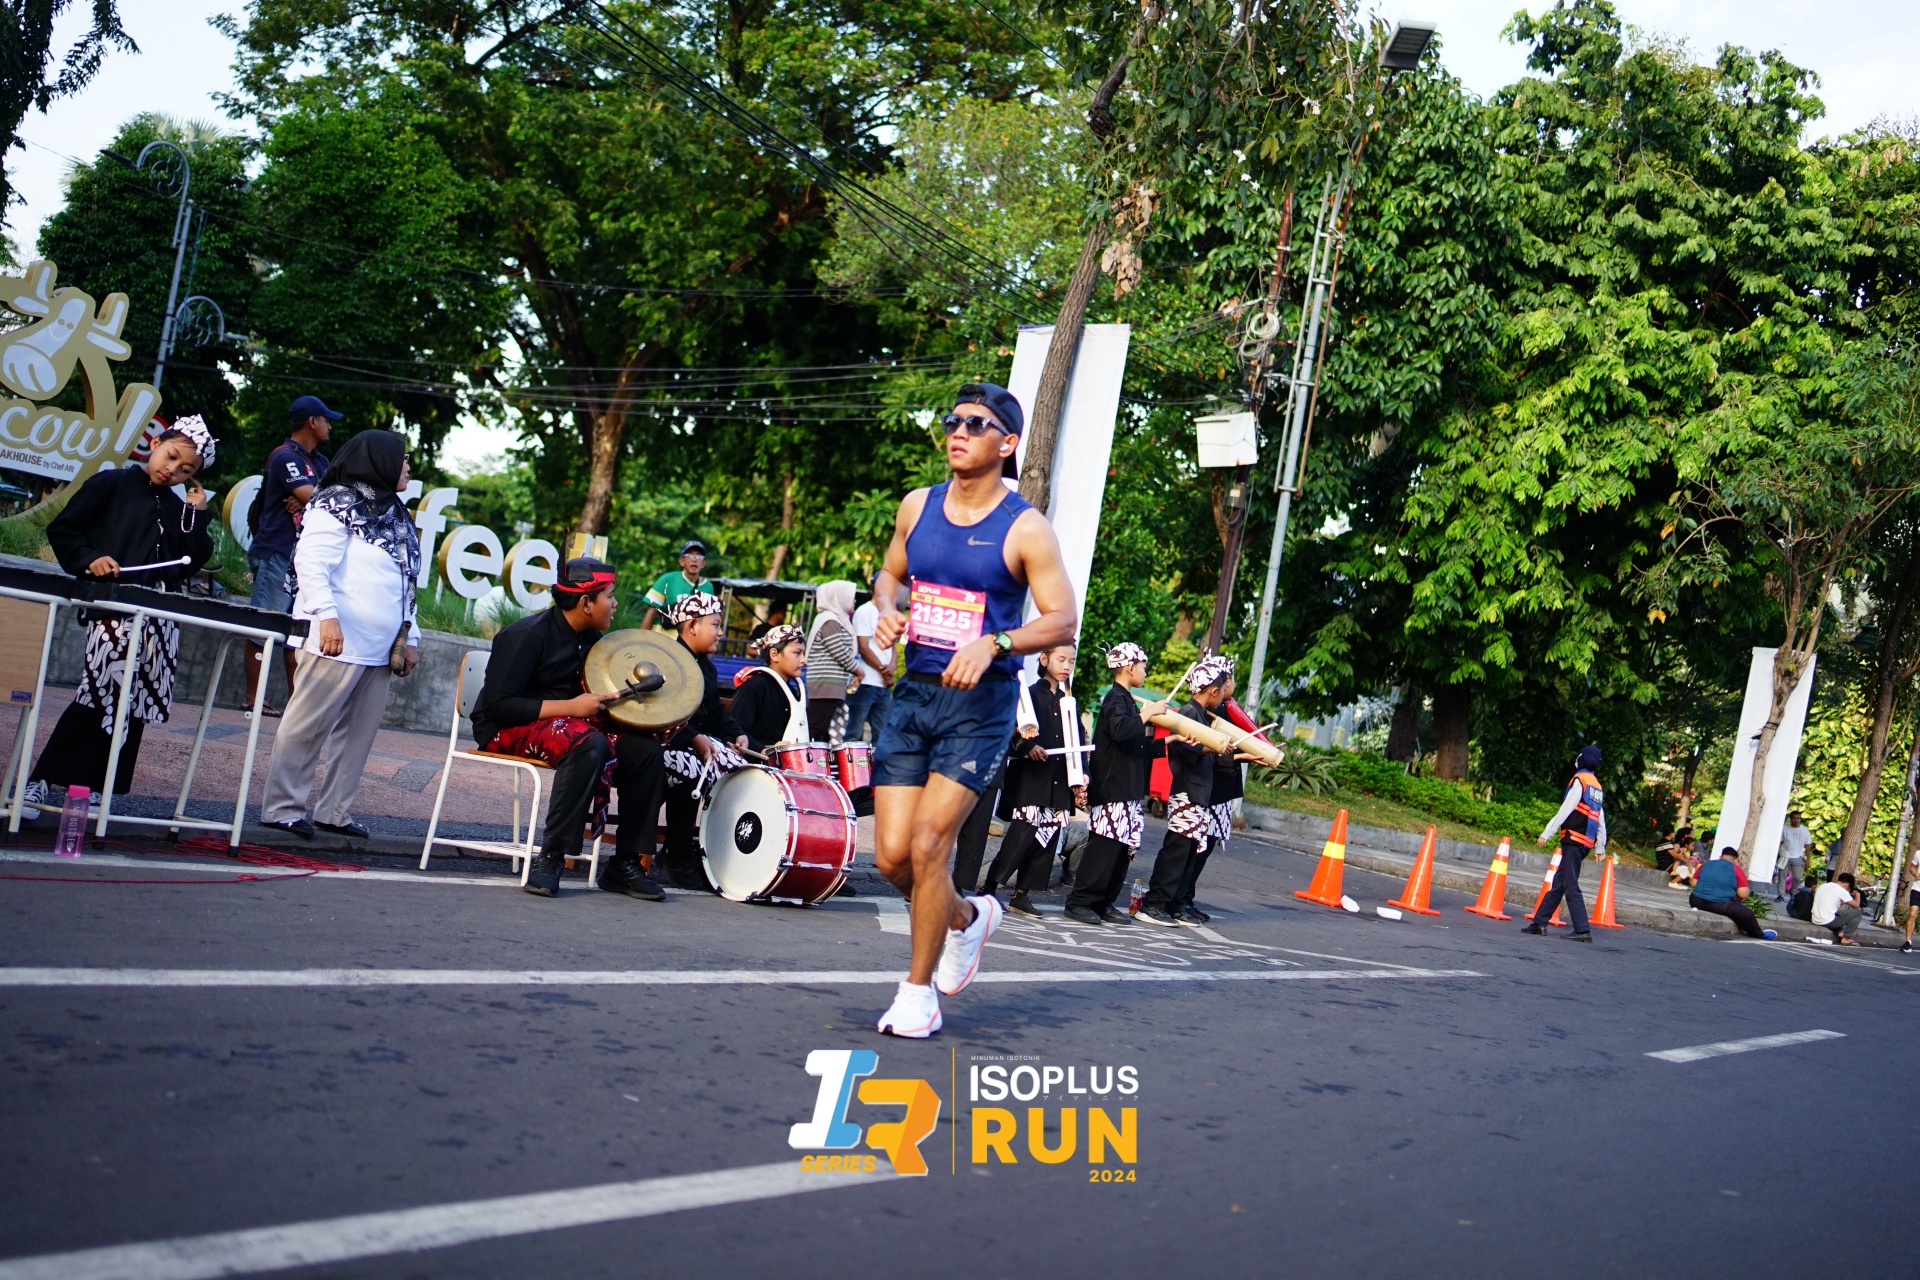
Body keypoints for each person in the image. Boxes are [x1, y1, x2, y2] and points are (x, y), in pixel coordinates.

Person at [867, 381, 1077, 1037]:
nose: (958, 432)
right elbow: (889, 574)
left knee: (930, 845)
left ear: (1007, 443)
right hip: (915, 695)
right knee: (892, 859)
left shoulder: (1025, 527)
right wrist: (887, 610)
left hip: (980, 706)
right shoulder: (917, 505)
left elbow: (1062, 619)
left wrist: (996, 643)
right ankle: (965, 916)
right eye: (952, 420)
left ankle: (917, 994)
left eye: (976, 424)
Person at [22, 419, 215, 807]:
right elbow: (65, 529)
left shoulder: (178, 507)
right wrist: (89, 559)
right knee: (97, 690)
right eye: (170, 457)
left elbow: (190, 561)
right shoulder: (110, 483)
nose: (172, 470)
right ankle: (42, 779)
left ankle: (99, 786)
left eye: (185, 470)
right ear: (155, 443)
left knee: (136, 701)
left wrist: (198, 515)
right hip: (114, 607)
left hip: (160, 616)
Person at [469, 557, 667, 902]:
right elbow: (497, 707)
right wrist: (572, 708)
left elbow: (596, 700)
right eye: (609, 595)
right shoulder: (525, 636)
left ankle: (624, 863)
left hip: (571, 726)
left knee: (645, 752)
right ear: (586, 602)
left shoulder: (590, 638)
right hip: (507, 728)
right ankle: (551, 857)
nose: (615, 603)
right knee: (589, 743)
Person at [259, 431, 420, 840]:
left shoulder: (397, 514)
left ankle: (334, 812)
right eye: (402, 459)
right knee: (307, 727)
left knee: (357, 739)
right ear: (379, 460)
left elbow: (406, 581)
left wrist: (411, 637)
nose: (407, 467)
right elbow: (311, 562)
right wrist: (325, 616)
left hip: (380, 649)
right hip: (336, 639)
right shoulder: (336, 502)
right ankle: (282, 809)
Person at [1137, 654, 1251, 926]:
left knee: (1188, 853)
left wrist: (1238, 755)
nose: (1223, 694)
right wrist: (1213, 747)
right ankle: (1153, 904)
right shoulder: (1189, 713)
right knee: (1176, 852)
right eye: (1221, 689)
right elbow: (1184, 753)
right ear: (1213, 691)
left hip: (1198, 794)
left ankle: (1175, 904)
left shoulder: (1201, 715)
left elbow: (1206, 755)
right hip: (1187, 793)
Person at [245, 395, 337, 714]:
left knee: (294, 635)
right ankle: (252, 698)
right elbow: (317, 496)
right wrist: (312, 496)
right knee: (263, 627)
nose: (329, 426)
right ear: (312, 421)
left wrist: (312, 497)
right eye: (326, 420)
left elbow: (333, 497)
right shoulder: (285, 456)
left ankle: (293, 704)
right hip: (277, 552)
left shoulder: (321, 461)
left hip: (302, 559)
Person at [1065, 642, 1168, 926]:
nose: (1145, 672)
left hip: (1127, 790)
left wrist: (1169, 741)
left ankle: (1103, 902)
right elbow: (1122, 730)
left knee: (1121, 851)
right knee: (1104, 849)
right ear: (1129, 667)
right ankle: (1079, 901)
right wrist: (1149, 713)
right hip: (1113, 790)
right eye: (1143, 667)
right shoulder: (1114, 699)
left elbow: (1135, 744)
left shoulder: (1127, 700)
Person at [654, 590, 751, 889]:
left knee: (739, 770)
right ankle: (676, 856)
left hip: (695, 743)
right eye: (715, 624)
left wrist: (736, 733)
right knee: (689, 768)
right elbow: (659, 711)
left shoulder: (706, 665)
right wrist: (694, 738)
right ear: (692, 625)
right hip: (664, 742)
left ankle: (709, 853)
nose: (721, 632)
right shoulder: (668, 659)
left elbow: (714, 714)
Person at [984, 644, 1082, 916]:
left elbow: (1077, 742)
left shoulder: (1070, 702)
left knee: (1046, 840)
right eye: (1061, 659)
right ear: (1044, 658)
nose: (1066, 666)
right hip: (1032, 782)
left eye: (1071, 661)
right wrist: (1028, 747)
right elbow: (1013, 734)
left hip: (1058, 783)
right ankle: (989, 888)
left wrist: (1081, 775)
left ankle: (1021, 893)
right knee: (1021, 836)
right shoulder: (1028, 696)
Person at [1523, 744, 1607, 942]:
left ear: (1582, 759)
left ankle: (1582, 930)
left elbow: (1566, 809)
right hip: (1585, 842)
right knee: (1560, 882)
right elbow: (1600, 817)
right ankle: (1539, 922)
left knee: (1570, 884)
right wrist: (1600, 845)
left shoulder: (1581, 780)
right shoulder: (1596, 785)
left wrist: (1548, 831)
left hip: (1573, 838)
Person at [731, 623, 808, 752]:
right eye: (797, 653)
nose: (803, 660)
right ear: (774, 654)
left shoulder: (791, 691)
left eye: (803, 653)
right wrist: (763, 750)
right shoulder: (755, 686)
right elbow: (735, 731)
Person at [805, 579, 859, 743]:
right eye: (851, 597)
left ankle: (817, 757)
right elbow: (840, 652)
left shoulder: (836, 619)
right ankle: (807, 756)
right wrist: (858, 670)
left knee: (822, 729)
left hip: (831, 684)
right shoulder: (829, 621)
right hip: (825, 684)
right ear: (838, 597)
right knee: (815, 727)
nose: (854, 601)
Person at [1689, 845, 1778, 940]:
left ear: (1721, 856)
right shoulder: (1736, 869)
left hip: (1695, 900)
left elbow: (1693, 883)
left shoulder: (1706, 864)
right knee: (1747, 914)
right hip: (1719, 905)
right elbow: (1743, 894)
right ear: (1734, 859)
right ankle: (1759, 934)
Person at [847, 571, 895, 743]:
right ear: (876, 586)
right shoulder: (864, 611)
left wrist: (892, 668)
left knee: (882, 735)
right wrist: (885, 672)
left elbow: (893, 646)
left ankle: (875, 762)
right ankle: (850, 761)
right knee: (854, 733)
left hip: (884, 685)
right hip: (866, 682)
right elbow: (864, 647)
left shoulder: (890, 613)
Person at [639, 539, 713, 630]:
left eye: (699, 556)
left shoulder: (708, 587)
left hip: (689, 638)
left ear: (703, 563)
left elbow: (707, 620)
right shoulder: (667, 579)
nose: (694, 559)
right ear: (681, 561)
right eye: (689, 555)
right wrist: (641, 638)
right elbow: (651, 613)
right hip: (662, 636)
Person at [1811, 870, 1863, 945]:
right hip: (1826, 921)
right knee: (1857, 913)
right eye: (1848, 889)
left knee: (1839, 915)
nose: (1847, 890)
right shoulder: (1842, 890)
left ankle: (1840, 932)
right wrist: (1858, 895)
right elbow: (1856, 906)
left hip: (1815, 919)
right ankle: (1846, 938)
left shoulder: (1823, 885)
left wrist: (1842, 902)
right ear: (1847, 885)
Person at [1777, 811, 1811, 901]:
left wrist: (1808, 859)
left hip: (1798, 857)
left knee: (1797, 877)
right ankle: (1781, 895)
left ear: (1800, 819)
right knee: (1782, 876)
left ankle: (1793, 891)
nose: (1796, 820)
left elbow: (1807, 845)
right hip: (1785, 856)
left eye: (1797, 818)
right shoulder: (1785, 828)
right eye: (1794, 818)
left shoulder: (1804, 830)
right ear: (1790, 819)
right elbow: (1780, 842)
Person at [1902, 840, 1919, 954]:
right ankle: (1908, 942)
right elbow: (1912, 867)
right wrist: (1915, 873)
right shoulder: (1918, 853)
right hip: (1917, 889)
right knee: (1912, 914)